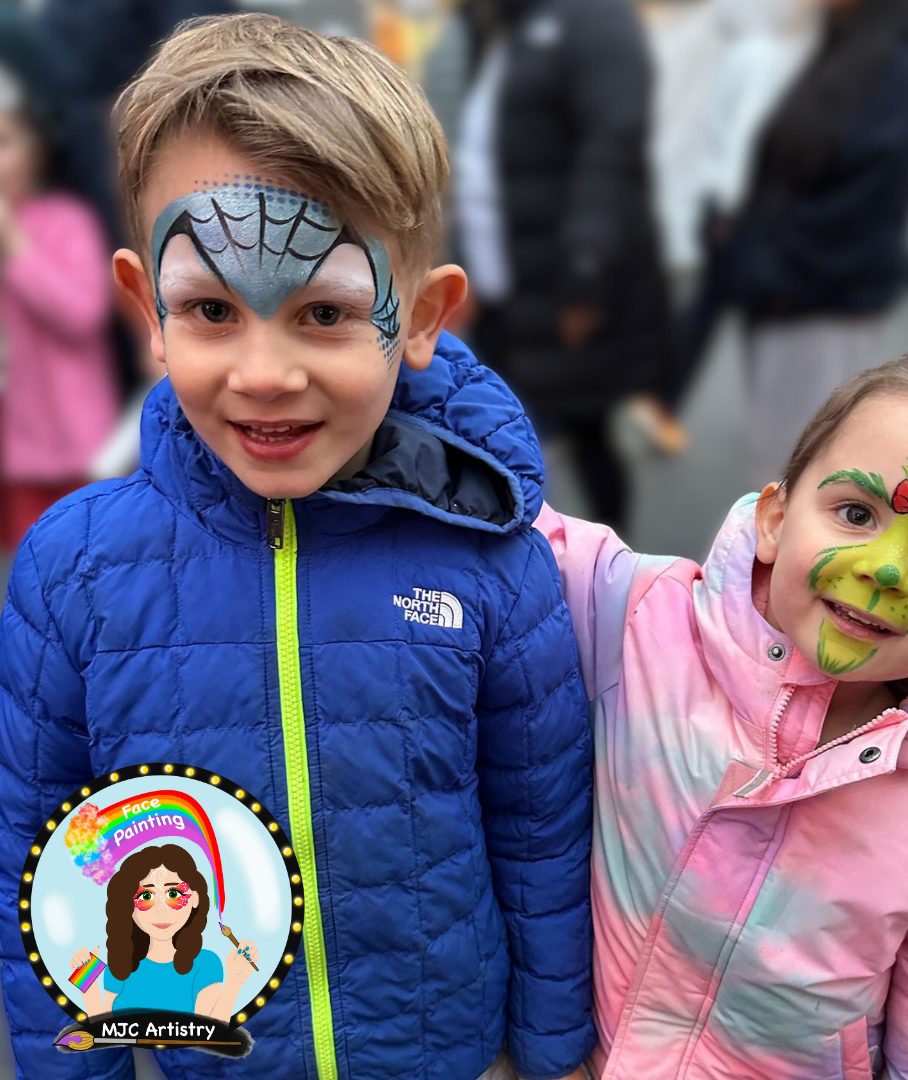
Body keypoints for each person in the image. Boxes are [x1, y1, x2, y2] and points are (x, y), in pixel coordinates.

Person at [0, 15, 594, 1080]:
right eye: (212, 310)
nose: (264, 373)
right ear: (146, 307)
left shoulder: (494, 562)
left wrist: (554, 1053)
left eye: (323, 312)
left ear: (420, 317)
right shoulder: (69, 576)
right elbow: (35, 860)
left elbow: (542, 834)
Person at [537, 351, 908, 1078]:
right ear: (775, 520)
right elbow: (500, 510)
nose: (886, 568)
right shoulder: (637, 616)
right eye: (855, 513)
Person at [681, 0, 908, 487]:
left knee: (797, 467)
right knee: (784, 455)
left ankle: (780, 564)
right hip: (792, 290)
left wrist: (775, 269)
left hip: (821, 296)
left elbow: (863, 196)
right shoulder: (849, 45)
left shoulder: (894, 58)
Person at [454, 0, 670, 530]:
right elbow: (485, 156)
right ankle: (525, 557)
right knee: (502, 425)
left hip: (559, 283)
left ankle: (612, 569)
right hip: (506, 283)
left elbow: (611, 147)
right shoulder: (508, 28)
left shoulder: (593, 20)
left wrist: (586, 273)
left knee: (583, 427)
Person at [0, 64, 119, 557]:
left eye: (4, 142)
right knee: (25, 574)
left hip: (76, 447)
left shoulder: (65, 223)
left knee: (86, 562)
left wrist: (15, 247)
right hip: (14, 456)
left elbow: (82, 313)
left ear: (36, 151)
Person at [71, 844, 257, 1021]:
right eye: (146, 896)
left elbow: (207, 1035)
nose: (161, 911)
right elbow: (107, 1034)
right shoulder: (119, 964)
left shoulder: (207, 965)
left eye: (174, 894)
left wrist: (235, 982)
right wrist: (87, 982)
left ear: (194, 899)